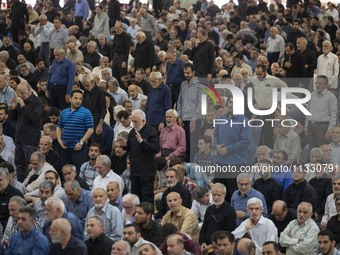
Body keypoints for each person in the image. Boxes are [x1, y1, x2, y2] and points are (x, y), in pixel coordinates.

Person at [118, 110, 159, 205]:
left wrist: (142, 141)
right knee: (135, 197)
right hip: (135, 170)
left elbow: (156, 148)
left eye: (136, 121)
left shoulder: (151, 131)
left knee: (146, 197)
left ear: (143, 121)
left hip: (147, 171)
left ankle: (148, 217)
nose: (134, 124)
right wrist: (124, 145)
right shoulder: (133, 132)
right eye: (132, 121)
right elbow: (130, 148)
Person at [11, 82, 43, 182]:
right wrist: (13, 108)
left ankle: (30, 184)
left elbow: (34, 118)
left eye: (22, 92)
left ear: (29, 90)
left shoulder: (37, 102)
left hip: (30, 139)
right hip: (19, 138)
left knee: (31, 164)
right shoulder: (20, 101)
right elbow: (13, 118)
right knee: (19, 163)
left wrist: (24, 106)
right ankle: (21, 184)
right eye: (19, 92)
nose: (20, 95)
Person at [56, 89, 94, 171]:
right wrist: (59, 140)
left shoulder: (86, 113)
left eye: (80, 99)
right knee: (65, 171)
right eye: (76, 98)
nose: (78, 101)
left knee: (79, 171)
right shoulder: (64, 112)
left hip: (78, 148)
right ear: (70, 99)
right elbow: (59, 126)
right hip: (65, 147)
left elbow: (90, 130)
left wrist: (81, 142)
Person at [176, 63, 201, 160]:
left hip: (194, 120)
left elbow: (200, 104)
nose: (186, 75)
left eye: (188, 73)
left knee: (193, 145)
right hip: (183, 119)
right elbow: (180, 101)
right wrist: (179, 116)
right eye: (185, 73)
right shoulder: (183, 84)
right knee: (185, 144)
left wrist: (194, 120)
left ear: (193, 72)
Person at [306, 75, 337, 149]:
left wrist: (329, 130)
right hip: (311, 125)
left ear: (326, 85)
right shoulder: (312, 95)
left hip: (322, 127)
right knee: (312, 149)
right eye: (316, 83)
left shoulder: (331, 97)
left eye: (320, 84)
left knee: (322, 149)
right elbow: (308, 111)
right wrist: (306, 125)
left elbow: (333, 115)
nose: (317, 85)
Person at [200, 183, 236, 247]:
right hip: (206, 245)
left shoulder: (230, 211)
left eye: (219, 195)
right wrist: (203, 242)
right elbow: (204, 228)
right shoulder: (209, 209)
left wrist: (212, 246)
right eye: (214, 195)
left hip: (220, 247)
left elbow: (229, 233)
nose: (216, 197)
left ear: (224, 195)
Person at [81, 74, 106, 145]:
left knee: (94, 143)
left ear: (92, 82)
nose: (85, 87)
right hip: (86, 121)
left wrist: (100, 125)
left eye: (87, 85)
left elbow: (103, 109)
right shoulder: (86, 91)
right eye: (84, 85)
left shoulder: (100, 92)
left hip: (96, 122)